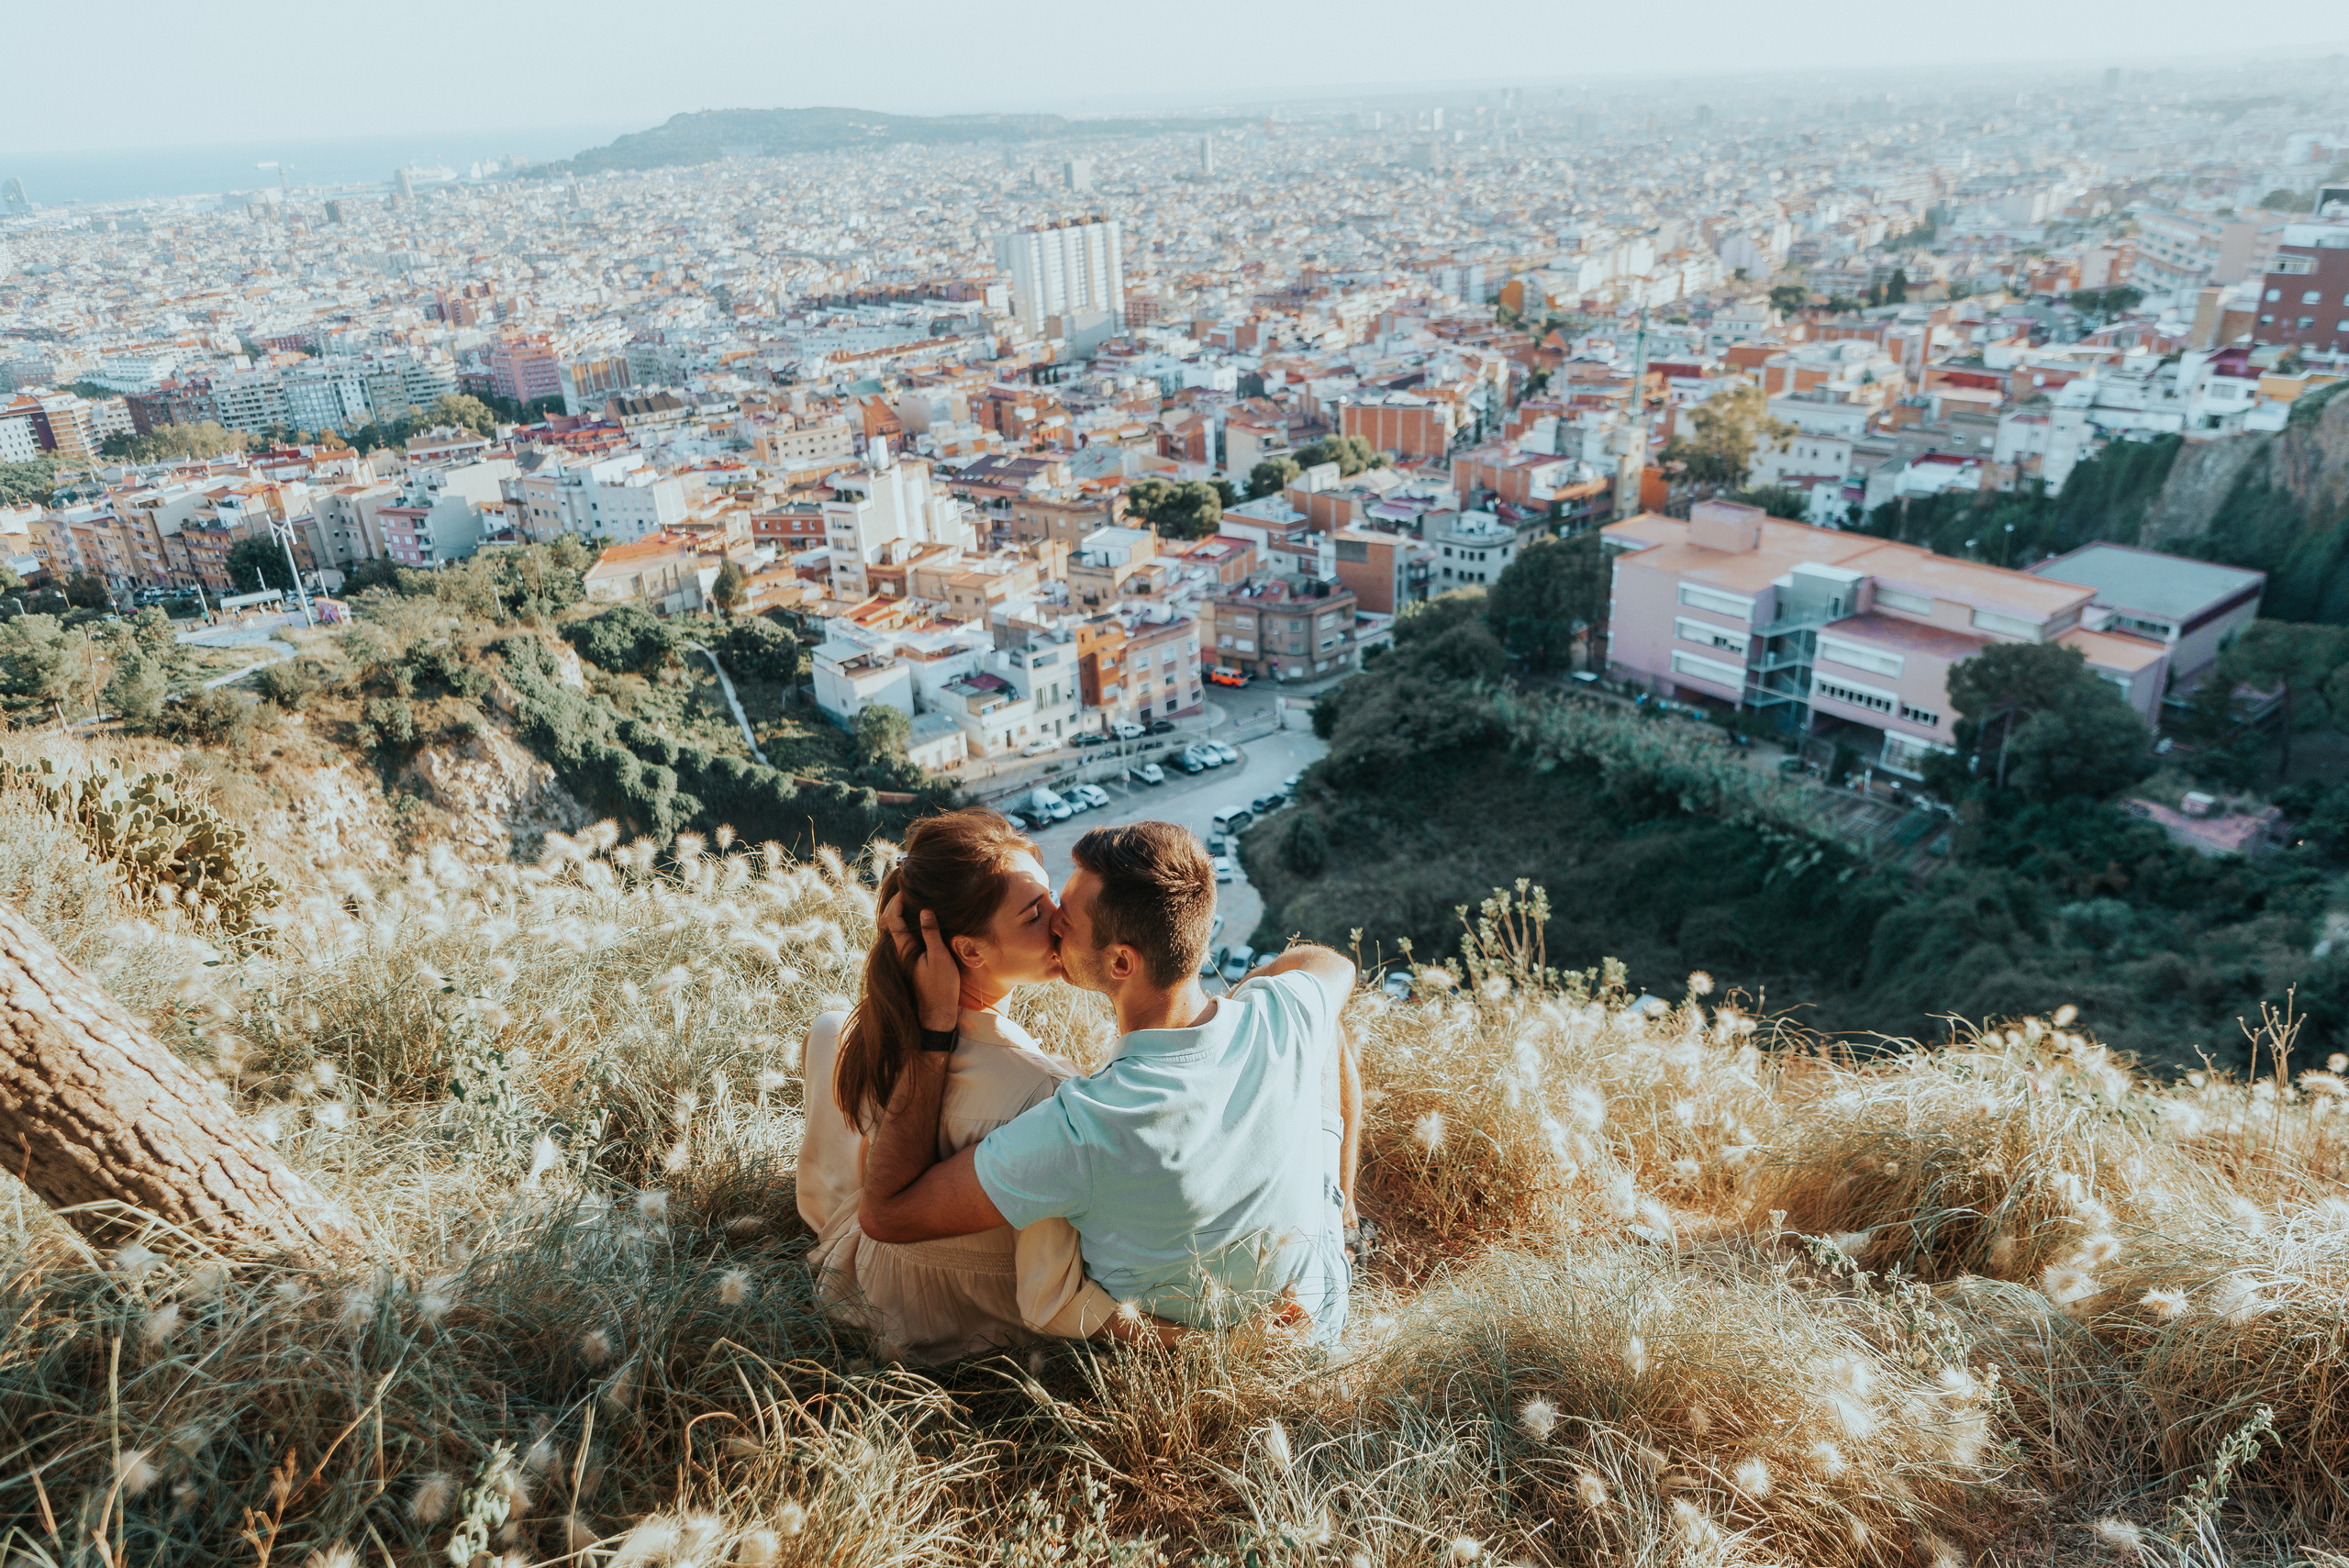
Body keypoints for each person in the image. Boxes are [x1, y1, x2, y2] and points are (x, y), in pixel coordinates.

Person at [860, 820, 1360, 1346]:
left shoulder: (1083, 1127)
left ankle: (1343, 1219)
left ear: (1121, 960)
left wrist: (935, 1028)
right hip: (1322, 1300)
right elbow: (1329, 963)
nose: (1053, 921)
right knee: (1319, 1019)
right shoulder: (1277, 1017)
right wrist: (1240, 1014)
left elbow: (887, 1214)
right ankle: (1346, 1220)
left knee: (1315, 1016)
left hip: (1229, 1352)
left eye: (1066, 918)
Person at [793, 810, 1126, 1362]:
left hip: (846, 1280)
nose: (1060, 921)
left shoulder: (845, 1035)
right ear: (970, 951)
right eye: (1034, 914)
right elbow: (1055, 1290)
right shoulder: (1044, 1092)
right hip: (950, 1332)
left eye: (1049, 897)